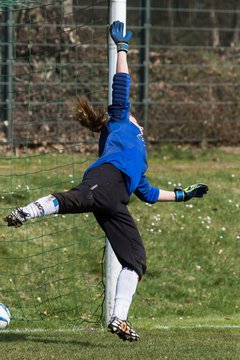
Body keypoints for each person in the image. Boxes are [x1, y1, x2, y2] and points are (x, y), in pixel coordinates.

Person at [4, 21, 208, 342]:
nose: (133, 113)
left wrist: (185, 195)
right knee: (75, 199)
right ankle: (26, 212)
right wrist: (122, 50)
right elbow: (122, 84)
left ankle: (119, 319)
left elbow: (150, 194)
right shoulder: (119, 123)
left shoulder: (139, 159)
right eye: (129, 112)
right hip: (106, 180)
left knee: (136, 260)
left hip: (117, 201)